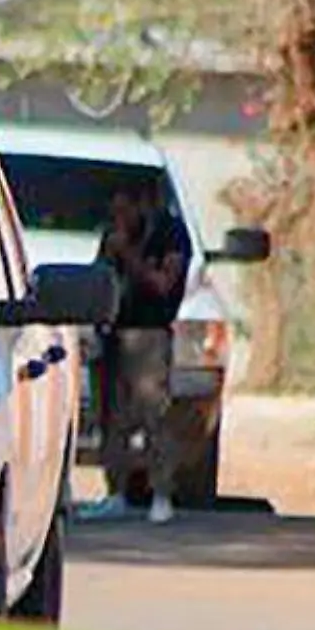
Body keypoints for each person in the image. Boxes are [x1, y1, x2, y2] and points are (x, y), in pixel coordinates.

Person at [86, 180, 192, 525]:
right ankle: (115, 490)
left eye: (124, 210)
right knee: (111, 417)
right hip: (113, 332)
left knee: (153, 414)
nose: (119, 218)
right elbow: (101, 278)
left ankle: (161, 492)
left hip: (148, 333)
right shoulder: (112, 237)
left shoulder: (169, 235)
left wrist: (130, 255)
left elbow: (163, 284)